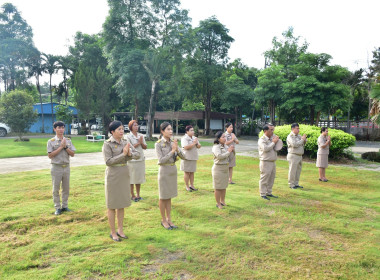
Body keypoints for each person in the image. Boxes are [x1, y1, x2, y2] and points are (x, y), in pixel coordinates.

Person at [102, 121, 140, 242]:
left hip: (124, 174)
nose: (122, 131)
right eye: (119, 129)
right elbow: (108, 161)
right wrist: (123, 155)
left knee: (122, 204)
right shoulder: (107, 144)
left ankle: (120, 230)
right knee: (112, 205)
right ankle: (113, 232)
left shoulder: (125, 142)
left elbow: (138, 154)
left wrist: (130, 154)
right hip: (113, 175)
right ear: (112, 132)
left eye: (122, 129)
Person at [155, 122, 186, 230]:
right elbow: (161, 160)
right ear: (162, 131)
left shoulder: (173, 142)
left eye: (171, 129)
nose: (171, 131)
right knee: (163, 197)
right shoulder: (158, 144)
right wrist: (172, 151)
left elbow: (184, 156)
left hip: (172, 171)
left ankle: (169, 219)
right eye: (168, 129)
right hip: (164, 171)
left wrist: (177, 149)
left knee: (169, 197)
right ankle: (163, 220)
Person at [47, 121, 76, 215]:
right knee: (56, 188)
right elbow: (50, 155)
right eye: (59, 128)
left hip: (66, 167)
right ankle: (57, 207)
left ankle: (65, 206)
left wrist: (66, 147)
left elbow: (72, 154)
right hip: (56, 167)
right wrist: (60, 147)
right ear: (54, 129)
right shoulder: (51, 142)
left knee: (66, 188)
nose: (61, 130)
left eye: (63, 127)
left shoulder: (68, 140)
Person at [258, 124, 282, 200]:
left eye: (273, 130)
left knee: (271, 178)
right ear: (265, 131)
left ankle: (269, 192)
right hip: (265, 161)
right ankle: (262, 193)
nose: (272, 131)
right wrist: (274, 142)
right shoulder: (262, 140)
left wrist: (276, 141)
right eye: (270, 130)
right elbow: (265, 148)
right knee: (264, 178)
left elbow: (277, 147)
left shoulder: (272, 138)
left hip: (272, 161)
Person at [126, 120, 147, 202]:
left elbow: (145, 147)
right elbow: (129, 147)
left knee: (138, 178)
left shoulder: (141, 135)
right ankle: (133, 195)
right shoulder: (128, 136)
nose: (136, 127)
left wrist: (141, 143)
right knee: (131, 179)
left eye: (137, 125)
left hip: (140, 159)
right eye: (134, 125)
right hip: (132, 161)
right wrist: (138, 143)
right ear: (131, 127)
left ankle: (138, 195)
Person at [212, 131, 234, 209]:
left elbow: (230, 156)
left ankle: (222, 201)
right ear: (218, 139)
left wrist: (232, 151)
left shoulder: (225, 146)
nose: (225, 138)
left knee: (224, 186)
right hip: (218, 168)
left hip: (225, 168)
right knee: (218, 187)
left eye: (225, 137)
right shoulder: (216, 147)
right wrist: (228, 152)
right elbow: (219, 156)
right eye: (223, 137)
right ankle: (218, 203)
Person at [180, 125, 201, 192]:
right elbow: (185, 147)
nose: (193, 131)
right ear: (187, 131)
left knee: (192, 172)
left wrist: (197, 144)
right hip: (187, 157)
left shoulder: (194, 138)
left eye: (193, 130)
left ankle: (192, 185)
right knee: (187, 172)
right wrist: (193, 143)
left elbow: (199, 146)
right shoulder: (184, 138)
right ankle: (187, 186)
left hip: (193, 157)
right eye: (191, 130)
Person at [286, 123, 307, 189]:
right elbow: (294, 144)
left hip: (299, 155)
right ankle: (291, 184)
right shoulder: (290, 136)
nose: (298, 130)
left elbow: (303, 143)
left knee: (298, 170)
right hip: (293, 155)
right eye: (297, 128)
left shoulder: (298, 136)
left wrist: (304, 140)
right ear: (293, 129)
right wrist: (302, 140)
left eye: (298, 128)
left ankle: (296, 183)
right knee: (292, 170)